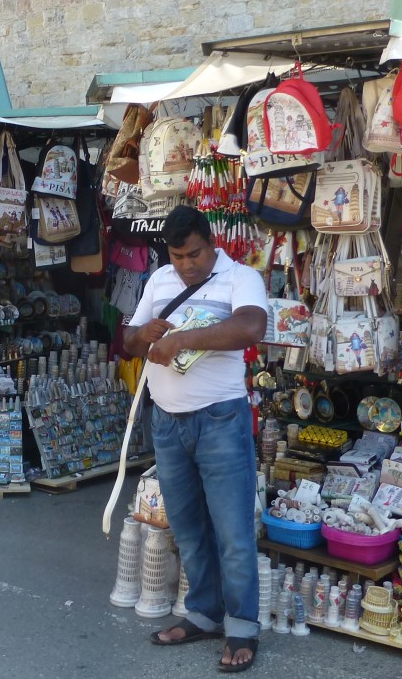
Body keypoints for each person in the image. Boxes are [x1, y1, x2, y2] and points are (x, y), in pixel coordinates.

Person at [124, 205, 267, 674]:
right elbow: (128, 340)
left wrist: (182, 341)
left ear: (212, 243)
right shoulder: (159, 280)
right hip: (167, 422)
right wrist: (143, 334)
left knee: (233, 532)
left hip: (221, 420)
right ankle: (204, 614)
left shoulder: (240, 277)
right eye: (178, 256)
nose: (187, 265)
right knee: (187, 528)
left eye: (195, 254)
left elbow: (251, 327)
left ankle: (241, 627)